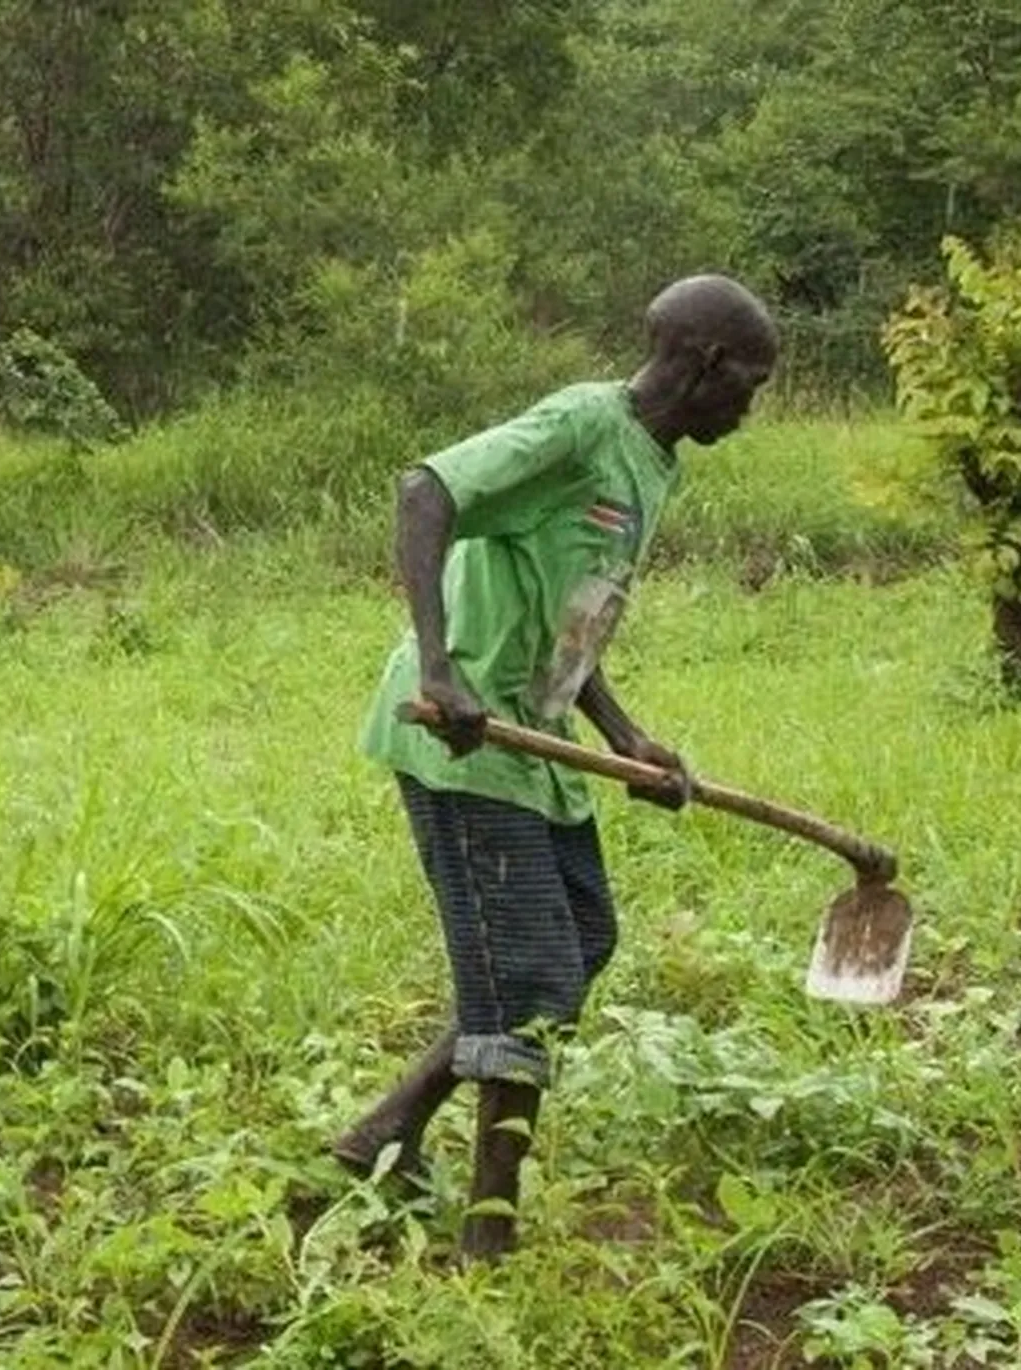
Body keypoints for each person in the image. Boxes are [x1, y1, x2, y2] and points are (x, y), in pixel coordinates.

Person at [335, 274, 779, 1261]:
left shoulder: (655, 465)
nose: (753, 403)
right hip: (462, 740)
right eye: (749, 380)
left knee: (580, 938)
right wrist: (443, 667)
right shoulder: (583, 424)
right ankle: (487, 1242)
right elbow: (426, 489)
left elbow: (576, 614)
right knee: (531, 981)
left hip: (537, 745)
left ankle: (383, 1132)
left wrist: (625, 735)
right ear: (704, 362)